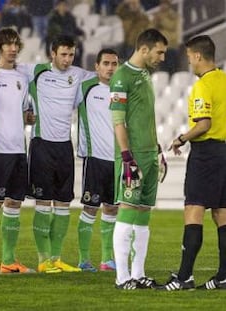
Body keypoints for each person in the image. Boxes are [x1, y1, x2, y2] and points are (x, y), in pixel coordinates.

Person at [17, 34, 95, 273]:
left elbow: (106, 75)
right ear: (53, 54)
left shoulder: (79, 75)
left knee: (63, 203)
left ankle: (57, 258)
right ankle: (43, 260)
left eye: (71, 54)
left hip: (64, 147)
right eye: (63, 54)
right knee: (43, 203)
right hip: (41, 144)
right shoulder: (35, 71)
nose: (67, 59)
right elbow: (3, 68)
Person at [158, 35, 226, 291]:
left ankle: (184, 276)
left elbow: (204, 123)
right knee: (222, 213)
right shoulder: (224, 79)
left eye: (188, 57)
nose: (188, 62)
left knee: (193, 210)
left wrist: (181, 138)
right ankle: (223, 276)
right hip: (224, 152)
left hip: (206, 154)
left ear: (197, 56)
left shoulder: (203, 85)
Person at [109, 28, 167, 289]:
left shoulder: (144, 74)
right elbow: (118, 121)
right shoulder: (122, 76)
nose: (163, 57)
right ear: (144, 49)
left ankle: (138, 273)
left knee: (144, 212)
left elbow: (144, 116)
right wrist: (126, 157)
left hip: (149, 154)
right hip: (131, 157)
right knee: (128, 210)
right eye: (159, 52)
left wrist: (156, 148)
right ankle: (122, 278)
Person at [0, 27, 34, 274]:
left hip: (17, 149)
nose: (13, 48)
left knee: (14, 203)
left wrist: (29, 117)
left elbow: (25, 112)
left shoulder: (22, 78)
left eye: (16, 44)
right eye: (8, 44)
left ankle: (9, 260)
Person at [76, 48, 119, 272]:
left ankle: (106, 259)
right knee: (90, 208)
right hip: (94, 158)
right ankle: (83, 259)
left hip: (117, 160)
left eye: (114, 64)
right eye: (106, 63)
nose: (110, 68)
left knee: (112, 208)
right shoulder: (85, 88)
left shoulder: (122, 91)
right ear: (97, 66)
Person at [46, 0, 85, 66]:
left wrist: (82, 33)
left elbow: (74, 28)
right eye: (61, 5)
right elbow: (52, 32)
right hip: (59, 39)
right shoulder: (53, 18)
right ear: (57, 6)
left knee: (79, 45)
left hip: (71, 39)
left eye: (64, 5)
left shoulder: (70, 17)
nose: (63, 7)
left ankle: (78, 65)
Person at [152, 0, 180, 74]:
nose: (163, 6)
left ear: (168, 5)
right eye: (162, 4)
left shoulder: (173, 15)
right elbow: (153, 29)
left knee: (173, 69)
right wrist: (155, 20)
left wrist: (161, 19)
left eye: (165, 4)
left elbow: (171, 26)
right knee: (163, 70)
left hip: (171, 46)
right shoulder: (158, 15)